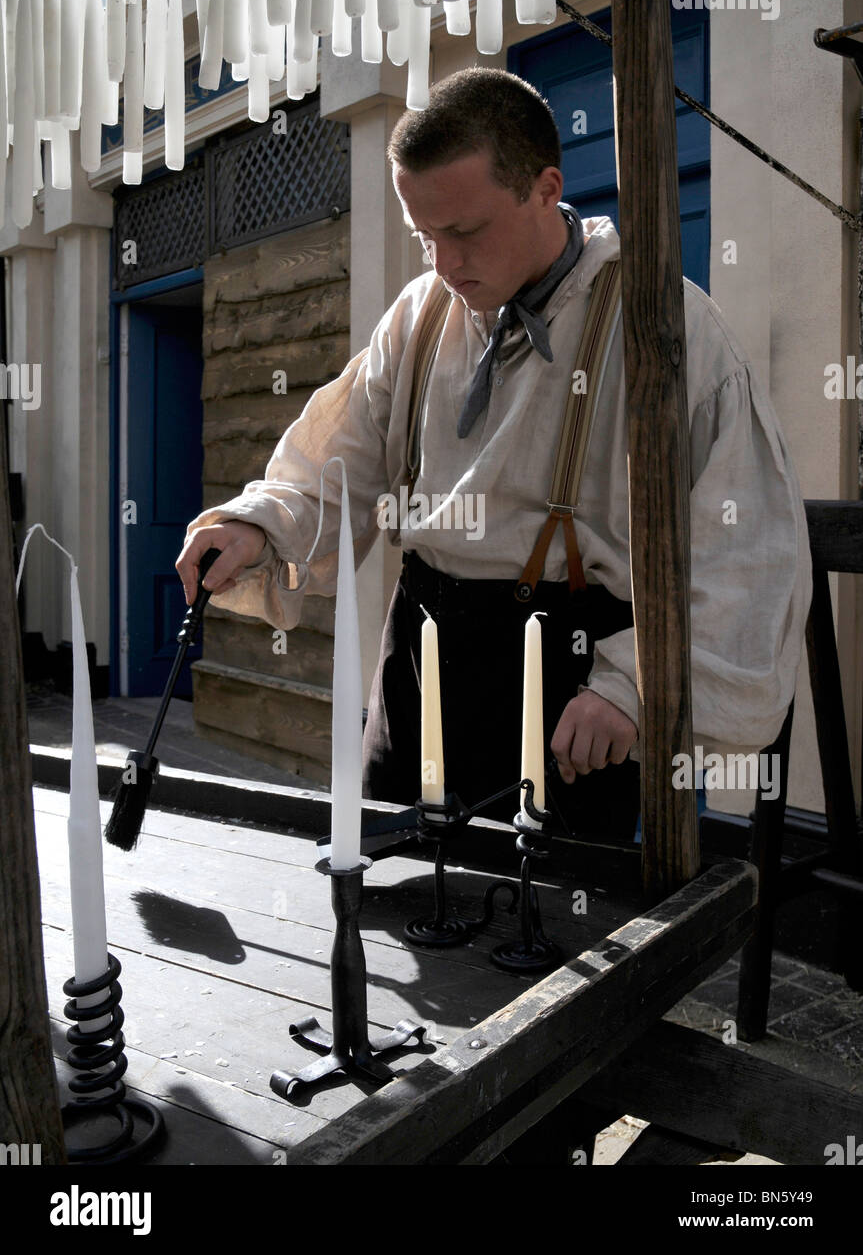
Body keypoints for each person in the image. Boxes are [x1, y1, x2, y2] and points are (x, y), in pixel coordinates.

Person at [176, 67, 812, 839]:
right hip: (421, 657)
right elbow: (337, 461)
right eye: (425, 236)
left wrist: (631, 686)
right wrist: (258, 525)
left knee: (553, 905)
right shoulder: (419, 316)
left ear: (545, 189)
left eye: (466, 232)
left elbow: (747, 549)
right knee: (393, 878)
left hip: (572, 685)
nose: (443, 263)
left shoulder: (663, 323)